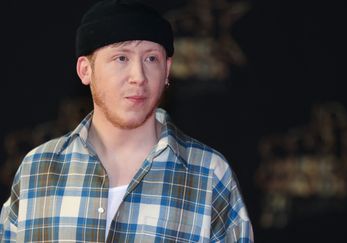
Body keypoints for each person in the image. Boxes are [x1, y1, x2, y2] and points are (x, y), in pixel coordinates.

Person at [0, 0, 253, 242]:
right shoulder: (37, 170)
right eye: (121, 58)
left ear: (167, 70)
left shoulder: (209, 174)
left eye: (151, 58)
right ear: (85, 70)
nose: (138, 76)